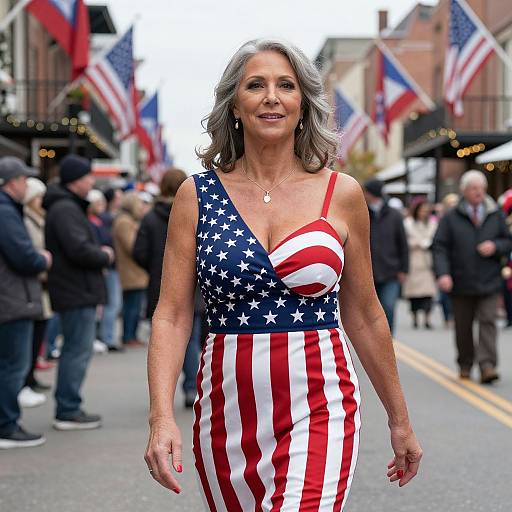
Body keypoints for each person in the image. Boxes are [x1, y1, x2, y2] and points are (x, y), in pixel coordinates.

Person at [144, 39, 422, 507]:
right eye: (256, 85)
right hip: (225, 411)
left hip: (321, 402)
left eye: (286, 86)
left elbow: (365, 314)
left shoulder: (342, 193)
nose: (272, 96)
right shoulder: (196, 195)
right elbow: (171, 316)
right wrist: (161, 417)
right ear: (235, 104)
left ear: (302, 104)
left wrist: (400, 419)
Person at [43, 154, 113, 430]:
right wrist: (103, 255)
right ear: (75, 180)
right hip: (75, 290)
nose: (91, 181)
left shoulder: (66, 207)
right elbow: (78, 249)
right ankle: (68, 409)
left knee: (76, 349)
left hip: (75, 289)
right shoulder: (65, 209)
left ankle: (68, 405)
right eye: (87, 176)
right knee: (76, 350)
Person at [433, 170, 512, 384]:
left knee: (488, 322)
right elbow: (440, 247)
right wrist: (444, 274)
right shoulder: (451, 217)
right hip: (461, 280)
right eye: (474, 188)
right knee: (463, 326)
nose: (479, 192)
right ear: (464, 191)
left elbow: (507, 242)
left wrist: (495, 246)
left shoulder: (495, 214)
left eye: (482, 188)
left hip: (489, 280)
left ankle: (487, 366)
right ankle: (465, 363)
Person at [133, 168, 203, 407]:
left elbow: (138, 251)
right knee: (191, 338)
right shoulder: (197, 210)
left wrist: (157, 268)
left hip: (161, 282)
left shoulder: (151, 217)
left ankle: (164, 396)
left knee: (166, 332)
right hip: (196, 285)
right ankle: (191, 387)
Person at [0, 157, 52, 448]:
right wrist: (41, 258)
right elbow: (23, 256)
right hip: (11, 298)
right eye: (22, 179)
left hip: (11, 297)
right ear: (12, 182)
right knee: (12, 365)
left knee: (10, 364)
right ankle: (7, 426)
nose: (25, 184)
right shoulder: (6, 212)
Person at [19, 178, 53, 408]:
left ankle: (29, 379)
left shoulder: (38, 217)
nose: (41, 201)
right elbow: (28, 252)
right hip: (29, 286)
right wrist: (43, 258)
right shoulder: (25, 220)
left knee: (37, 334)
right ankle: (24, 382)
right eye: (38, 197)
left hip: (39, 286)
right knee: (26, 341)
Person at [363, 178, 409, 335]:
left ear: (372, 193)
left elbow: (403, 243)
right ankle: (373, 340)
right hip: (368, 272)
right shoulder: (361, 213)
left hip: (391, 271)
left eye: (366, 192)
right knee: (370, 311)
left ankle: (388, 339)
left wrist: (404, 269)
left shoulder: (394, 215)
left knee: (388, 306)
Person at [87, 189, 122, 352]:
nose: (101, 206)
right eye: (97, 203)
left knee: (109, 305)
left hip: (108, 266)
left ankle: (104, 336)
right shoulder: (94, 222)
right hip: (104, 267)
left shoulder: (101, 221)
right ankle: (106, 337)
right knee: (109, 305)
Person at [112, 192, 149, 347]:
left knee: (135, 306)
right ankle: (128, 336)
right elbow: (131, 245)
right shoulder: (124, 222)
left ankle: (132, 335)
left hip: (135, 271)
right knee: (131, 307)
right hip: (131, 271)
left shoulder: (128, 221)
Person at [402, 199, 438, 329]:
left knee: (428, 293)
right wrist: (416, 243)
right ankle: (415, 317)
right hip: (413, 261)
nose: (424, 213)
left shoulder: (433, 224)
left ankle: (427, 318)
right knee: (414, 294)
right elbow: (403, 242)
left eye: (426, 210)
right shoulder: (408, 224)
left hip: (428, 262)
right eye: (422, 210)